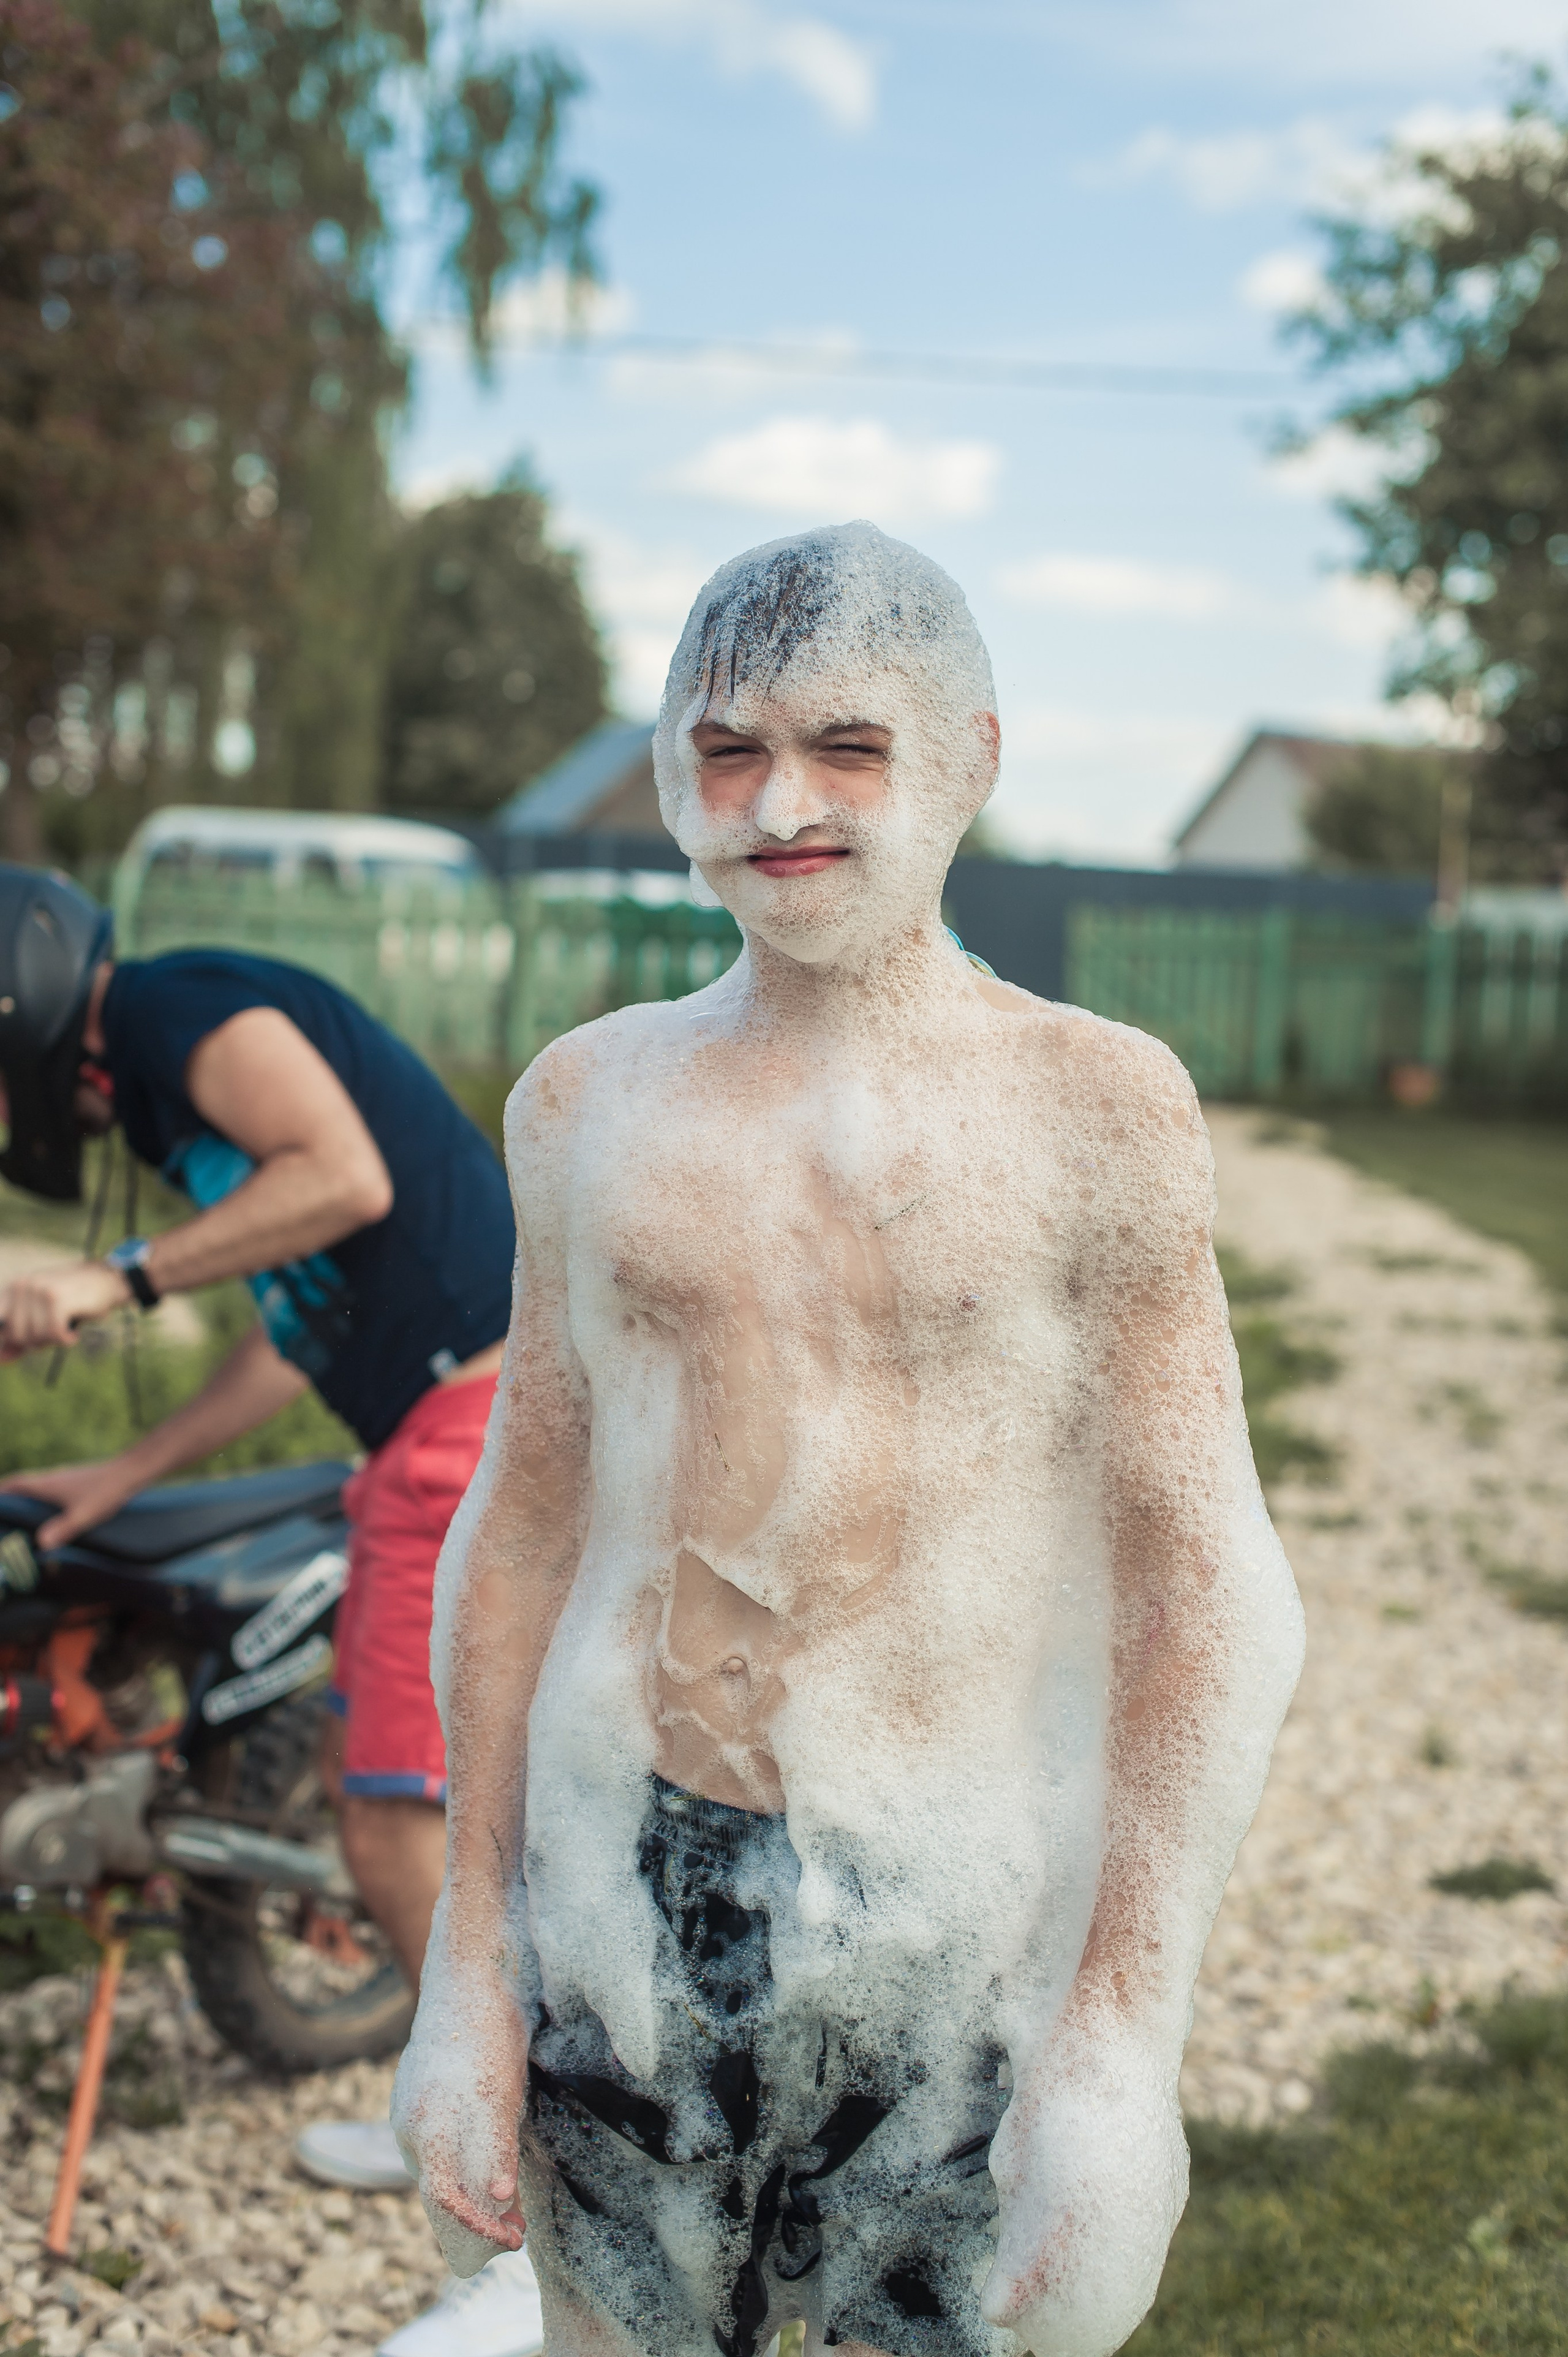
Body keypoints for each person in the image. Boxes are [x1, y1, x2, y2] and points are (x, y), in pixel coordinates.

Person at [391, 523, 1306, 2357]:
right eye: (726, 751)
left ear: (970, 757)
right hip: (626, 1902)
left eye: (847, 747)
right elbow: (527, 1522)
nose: (778, 803)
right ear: (671, 775)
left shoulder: (1093, 1108)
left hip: (957, 1922)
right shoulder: (588, 1101)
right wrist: (469, 1965)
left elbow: (1206, 1576)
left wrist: (1120, 2035)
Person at [0, 871, 545, 2357]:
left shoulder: (175, 1007)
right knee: (425, 1803)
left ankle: (534, 2225)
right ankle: (456, 2114)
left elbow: (344, 1177)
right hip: (431, 1423)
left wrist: (108, 1284)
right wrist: (125, 1467)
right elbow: (297, 1323)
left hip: (466, 1421)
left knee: (386, 1826)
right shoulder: (175, 1093)